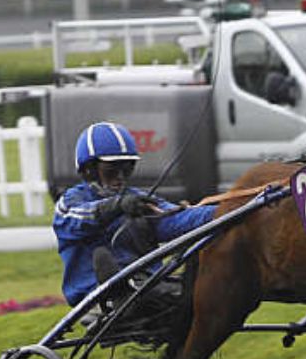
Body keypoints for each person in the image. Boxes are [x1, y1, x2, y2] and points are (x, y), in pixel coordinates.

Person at [52, 122, 217, 307]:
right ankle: (118, 293)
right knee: (103, 256)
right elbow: (76, 219)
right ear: (90, 170)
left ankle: (137, 294)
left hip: (148, 286)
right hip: (93, 295)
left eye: (127, 168)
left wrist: (223, 210)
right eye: (112, 170)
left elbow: (175, 219)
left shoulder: (138, 198)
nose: (120, 177)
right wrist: (117, 205)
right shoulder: (72, 200)